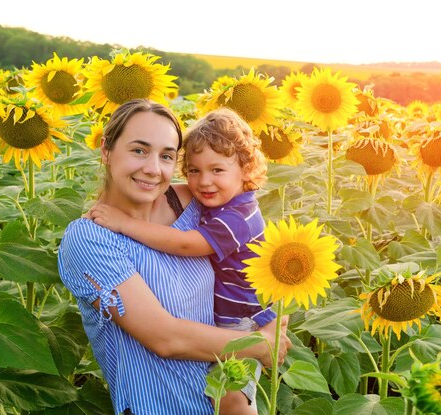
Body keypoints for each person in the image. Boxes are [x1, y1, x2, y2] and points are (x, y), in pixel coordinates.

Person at [57, 99, 291, 415]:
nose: (153, 169)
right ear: (106, 151)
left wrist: (273, 314)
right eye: (139, 150)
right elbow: (165, 339)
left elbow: (248, 241)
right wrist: (261, 345)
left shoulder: (194, 203)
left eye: (166, 156)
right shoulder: (90, 238)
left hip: (225, 391)